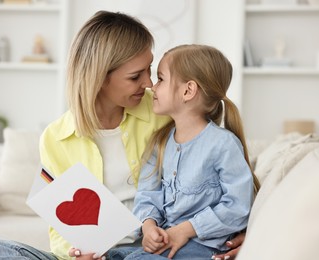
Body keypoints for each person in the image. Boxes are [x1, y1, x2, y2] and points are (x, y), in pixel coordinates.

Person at [0, 11, 247, 260]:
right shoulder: (56, 137)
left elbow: (222, 175)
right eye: (136, 76)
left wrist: (240, 234)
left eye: (151, 72)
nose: (149, 83)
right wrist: (77, 253)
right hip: (98, 254)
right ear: (100, 77)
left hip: (147, 251)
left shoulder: (164, 111)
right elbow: (61, 226)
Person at [107, 44, 260, 260]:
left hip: (204, 246)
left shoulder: (223, 144)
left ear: (188, 91)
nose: (152, 87)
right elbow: (147, 194)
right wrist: (149, 226)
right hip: (168, 242)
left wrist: (185, 230)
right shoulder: (159, 143)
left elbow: (238, 206)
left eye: (160, 79)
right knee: (112, 256)